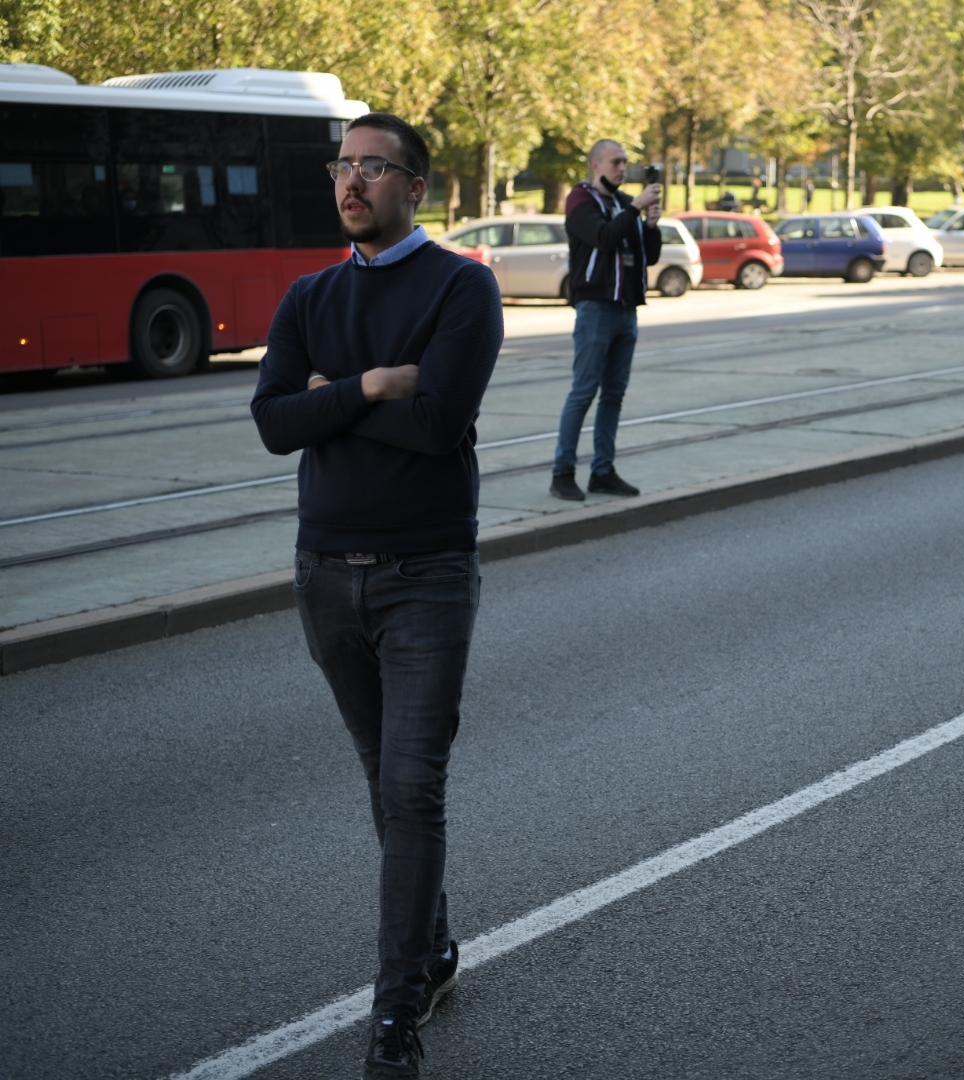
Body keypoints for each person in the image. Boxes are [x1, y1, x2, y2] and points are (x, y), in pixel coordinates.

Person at [251, 112, 503, 1077]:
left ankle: (396, 1008)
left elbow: (439, 425)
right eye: (343, 166)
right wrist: (373, 386)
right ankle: (433, 948)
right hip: (325, 577)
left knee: (410, 789)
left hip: (425, 576)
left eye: (374, 167)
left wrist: (335, 397)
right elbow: (275, 423)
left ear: (417, 187)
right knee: (386, 789)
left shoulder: (462, 286)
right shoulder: (309, 294)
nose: (352, 182)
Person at [549, 139, 663, 502]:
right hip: (596, 309)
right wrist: (635, 210)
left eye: (626, 163)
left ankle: (603, 471)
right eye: (616, 162)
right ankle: (562, 473)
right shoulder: (580, 200)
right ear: (596, 165)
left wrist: (651, 224)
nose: (622, 169)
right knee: (583, 392)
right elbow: (604, 237)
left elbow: (649, 256)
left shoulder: (624, 203)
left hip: (626, 310)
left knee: (614, 394)